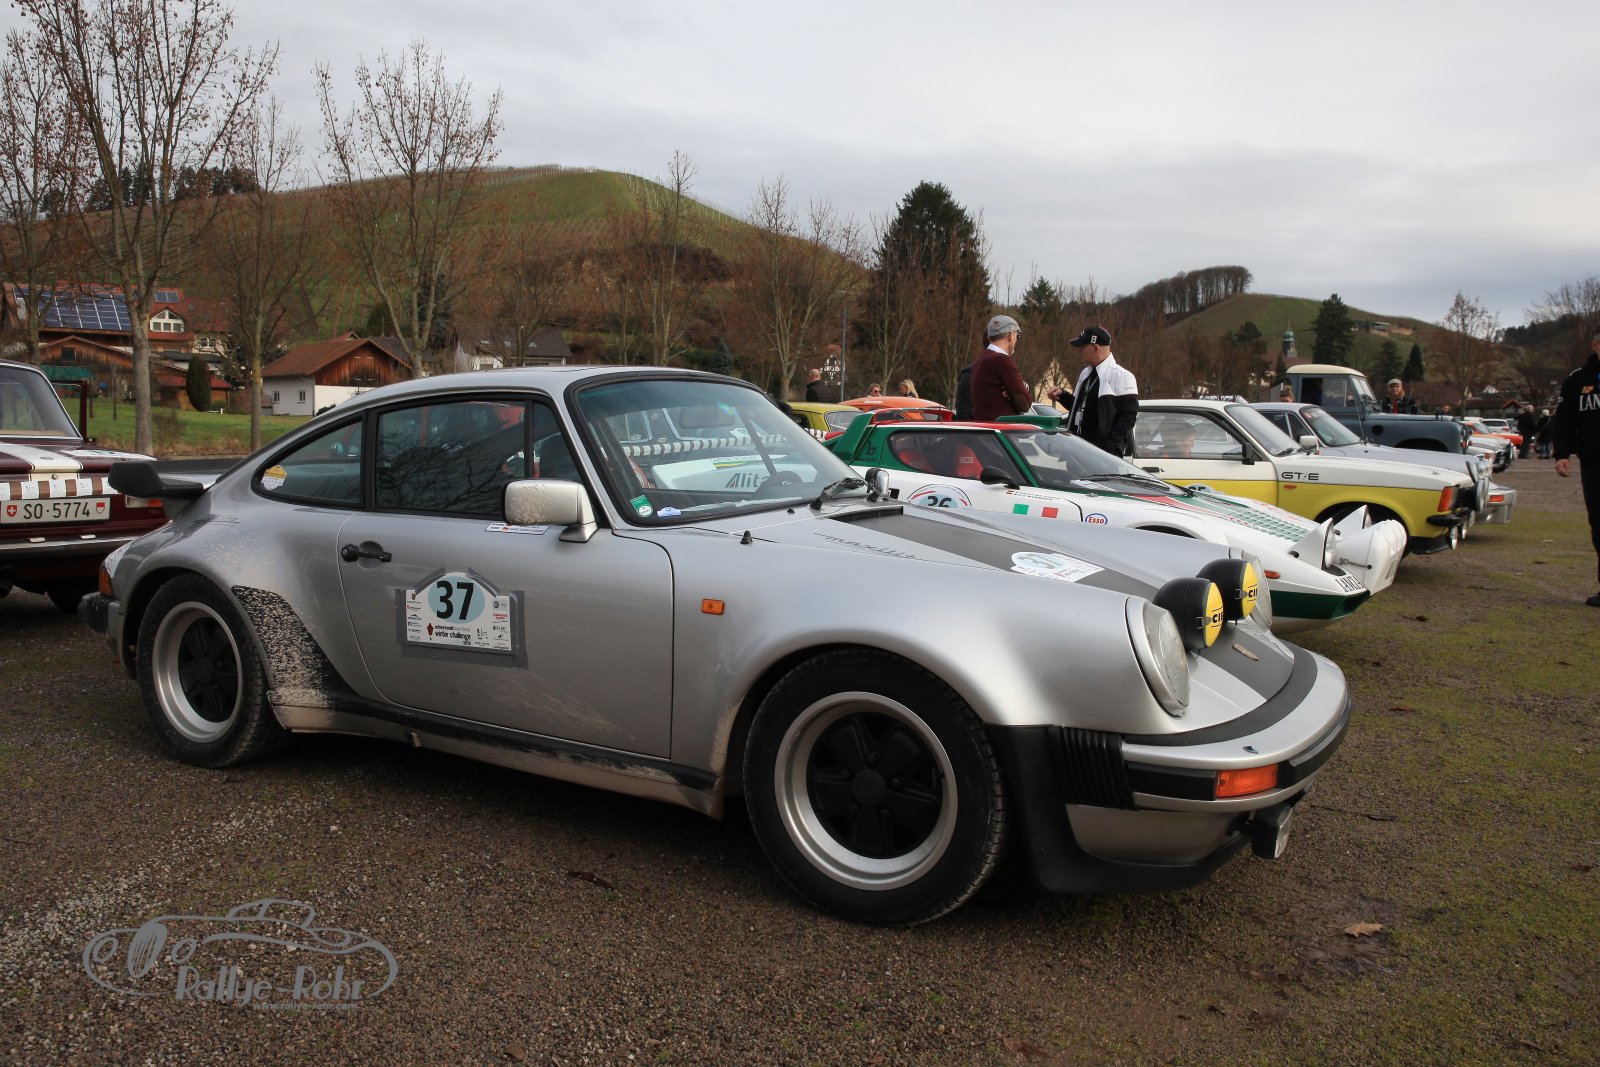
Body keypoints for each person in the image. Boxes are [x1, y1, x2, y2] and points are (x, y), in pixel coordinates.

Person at [1551, 323, 1600, 606]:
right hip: (1594, 463)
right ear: (1595, 345)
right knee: (1599, 525)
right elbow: (1564, 421)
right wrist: (1562, 454)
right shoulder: (1578, 380)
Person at [1062, 326, 1138, 456]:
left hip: (1103, 455)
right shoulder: (1085, 373)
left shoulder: (1121, 375)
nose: (1079, 350)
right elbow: (1081, 408)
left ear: (1095, 348)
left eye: (1083, 346)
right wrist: (1062, 396)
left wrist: (1110, 450)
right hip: (1077, 450)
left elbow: (1127, 418)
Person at [969, 315, 1031, 421]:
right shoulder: (1002, 360)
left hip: (983, 426)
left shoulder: (979, 361)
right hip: (1000, 428)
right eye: (1017, 336)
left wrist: (1011, 391)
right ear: (1011, 335)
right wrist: (1014, 392)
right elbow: (1025, 404)